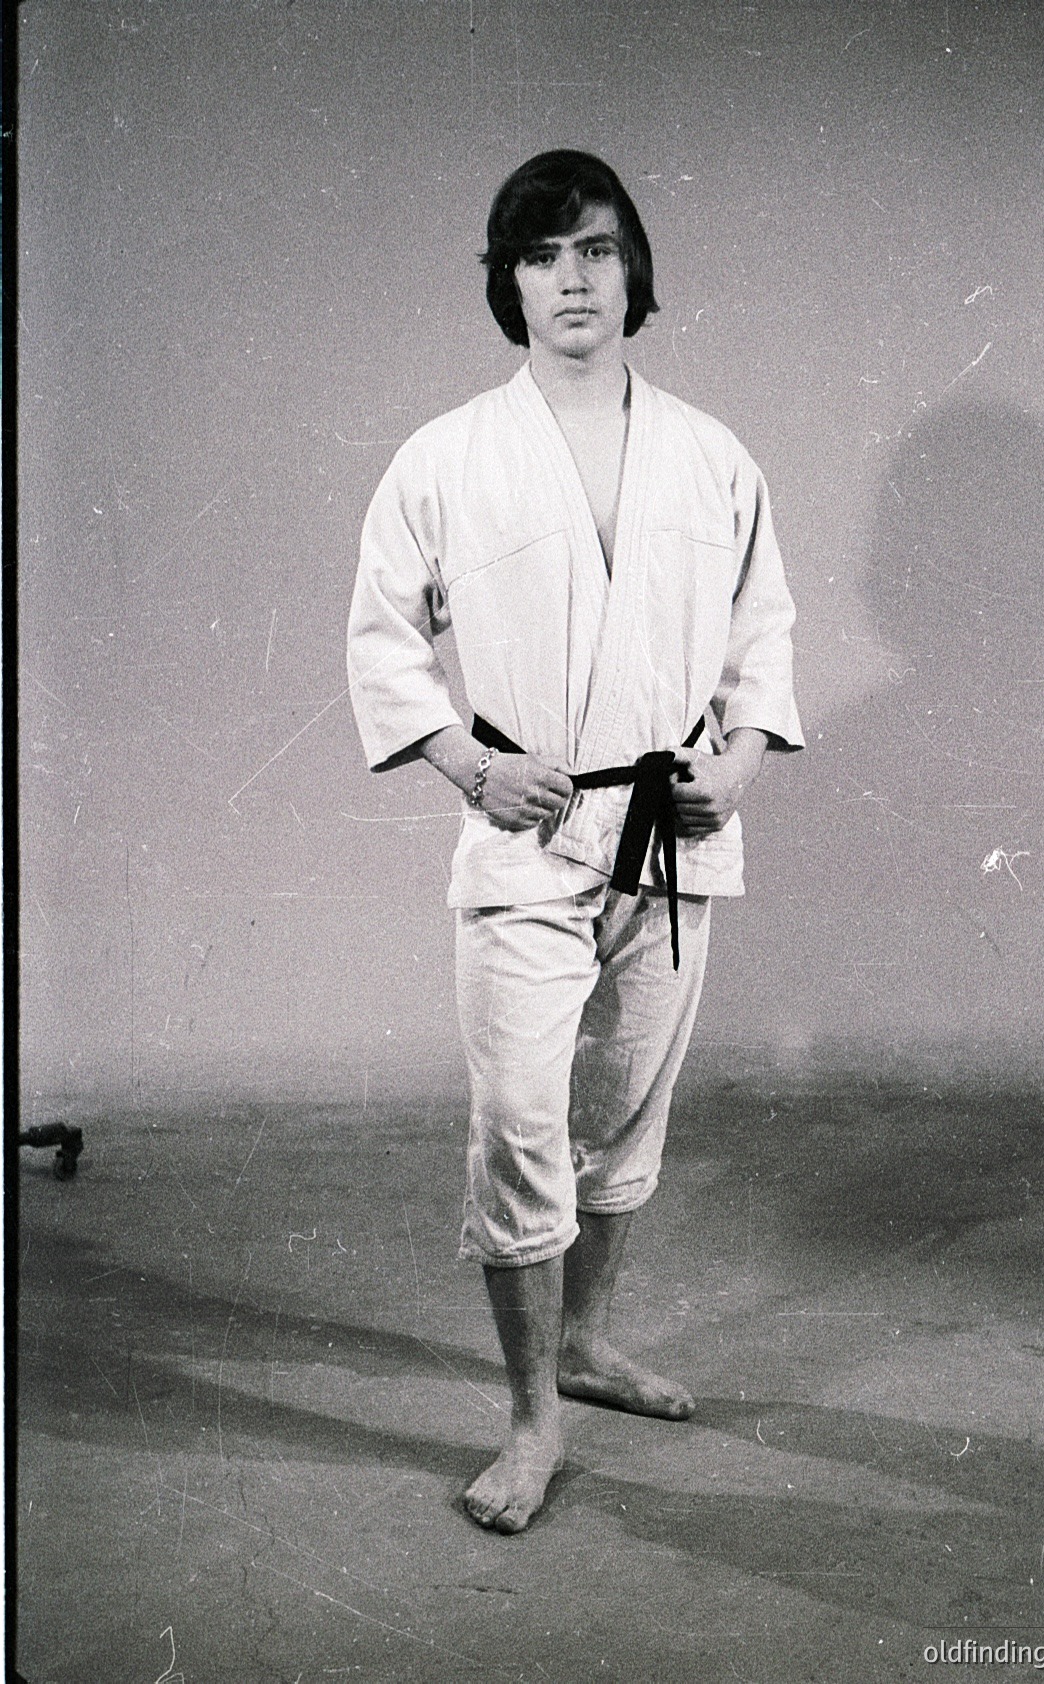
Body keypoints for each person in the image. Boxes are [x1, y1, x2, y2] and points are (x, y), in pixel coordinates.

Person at [347, 150, 803, 1533]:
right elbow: (381, 641)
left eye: (597, 250)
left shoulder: (713, 454)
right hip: (530, 831)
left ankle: (591, 1342)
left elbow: (761, 628)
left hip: (666, 828)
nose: (574, 278)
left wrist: (738, 759)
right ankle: (534, 1416)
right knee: (522, 1128)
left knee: (621, 1113)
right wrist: (469, 767)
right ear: (512, 282)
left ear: (634, 271)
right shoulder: (446, 456)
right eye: (545, 255)